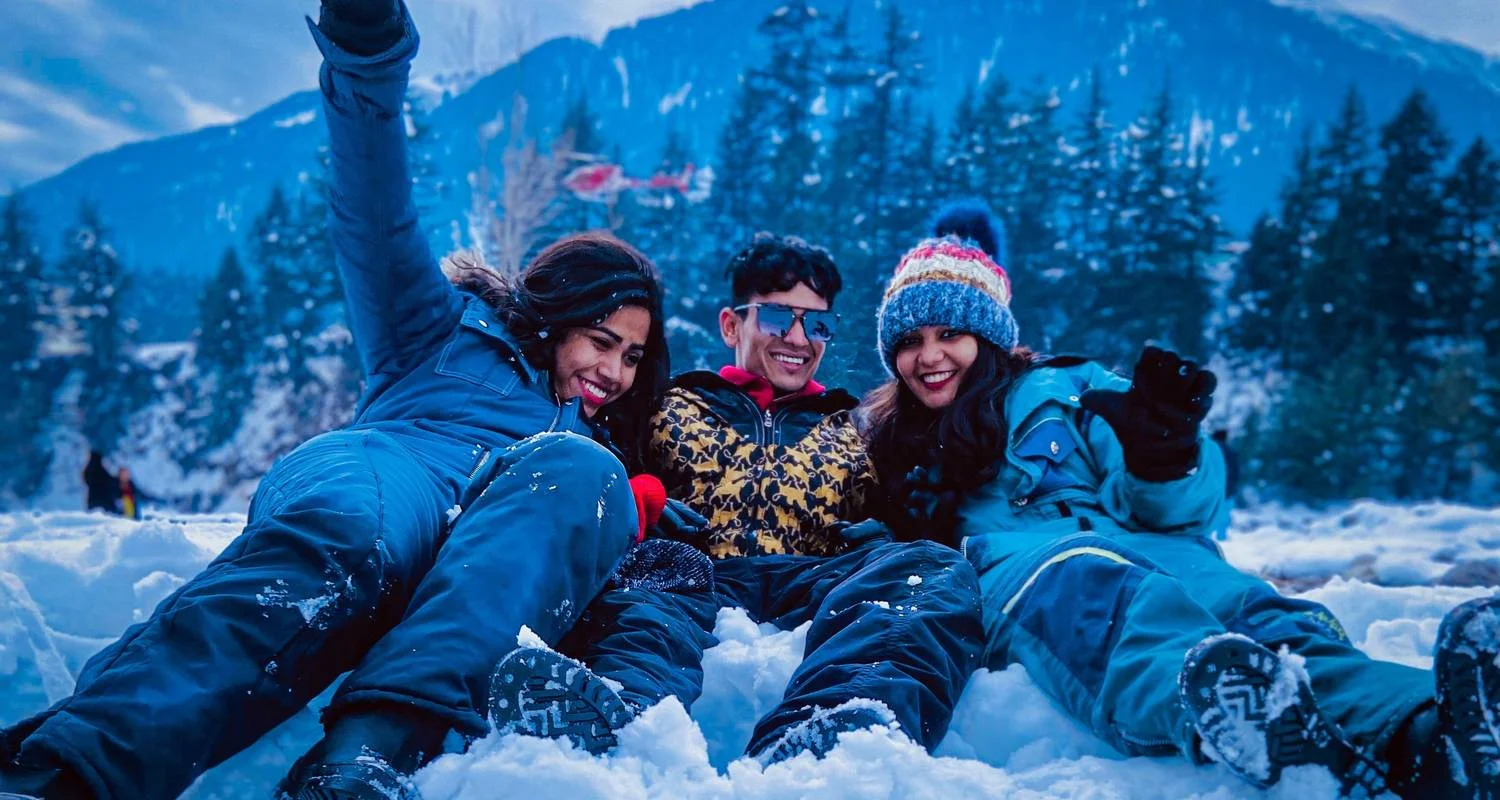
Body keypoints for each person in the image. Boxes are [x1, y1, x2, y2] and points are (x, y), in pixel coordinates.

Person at [0, 2, 671, 799]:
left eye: (633, 356)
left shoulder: (585, 455)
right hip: (392, 470)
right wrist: (367, 62)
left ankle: (361, 764)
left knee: (581, 473)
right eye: (601, 340)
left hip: (499, 525)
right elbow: (374, 215)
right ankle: (67, 773)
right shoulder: (440, 329)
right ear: (557, 315)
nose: (615, 370)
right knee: (352, 537)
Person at [858, 201, 1500, 798]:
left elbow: (1186, 510)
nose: (929, 355)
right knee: (1106, 598)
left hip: (1155, 549)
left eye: (950, 333)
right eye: (910, 341)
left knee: (1265, 617)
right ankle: (1243, 715)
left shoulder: (1066, 388)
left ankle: (1430, 728)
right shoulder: (883, 439)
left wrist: (1165, 457)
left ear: (988, 334)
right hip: (1030, 573)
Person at [490, 233, 984, 764]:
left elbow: (916, 502)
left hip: (812, 578)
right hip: (692, 573)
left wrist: (886, 533)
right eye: (777, 317)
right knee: (643, 597)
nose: (798, 338)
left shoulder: (859, 427)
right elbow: (597, 460)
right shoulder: (665, 403)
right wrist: (638, 499)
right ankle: (620, 713)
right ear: (731, 325)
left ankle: (842, 721)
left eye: (817, 324)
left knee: (930, 569)